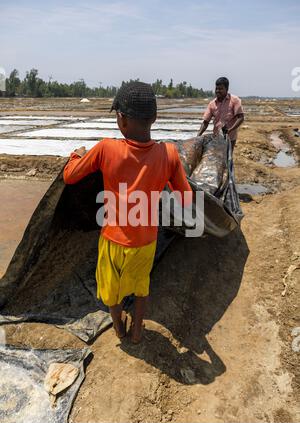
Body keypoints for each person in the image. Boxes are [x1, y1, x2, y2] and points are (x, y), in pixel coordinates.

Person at [63, 81, 192, 344]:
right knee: (141, 285)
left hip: (113, 239)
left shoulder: (105, 149)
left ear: (121, 119)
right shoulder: (169, 154)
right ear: (154, 118)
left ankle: (119, 329)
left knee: (112, 291)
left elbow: (69, 177)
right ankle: (137, 332)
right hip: (146, 240)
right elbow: (186, 198)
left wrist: (76, 155)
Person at [197, 77, 244, 150]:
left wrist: (230, 130)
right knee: (217, 158)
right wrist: (198, 136)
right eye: (216, 88)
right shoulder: (212, 104)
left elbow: (241, 117)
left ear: (227, 89)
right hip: (216, 137)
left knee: (228, 158)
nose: (218, 91)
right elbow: (205, 122)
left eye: (221, 89)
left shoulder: (235, 100)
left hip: (230, 138)